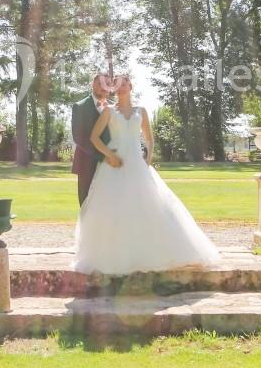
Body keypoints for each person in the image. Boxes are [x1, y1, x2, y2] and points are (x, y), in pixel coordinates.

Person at [73, 75, 222, 274]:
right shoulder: (108, 111)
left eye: (125, 83)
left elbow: (149, 139)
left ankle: (152, 252)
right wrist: (109, 155)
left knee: (149, 207)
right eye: (118, 84)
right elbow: (94, 138)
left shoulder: (141, 111)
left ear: (131, 86)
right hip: (114, 164)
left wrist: (148, 159)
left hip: (137, 163)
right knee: (113, 209)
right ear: (114, 89)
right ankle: (115, 255)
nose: (121, 87)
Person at [70, 73, 114, 205]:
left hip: (111, 164)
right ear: (92, 85)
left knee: (110, 204)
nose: (103, 87)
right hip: (86, 164)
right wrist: (103, 156)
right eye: (100, 83)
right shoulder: (80, 106)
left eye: (107, 84)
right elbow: (78, 137)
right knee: (86, 204)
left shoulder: (114, 108)